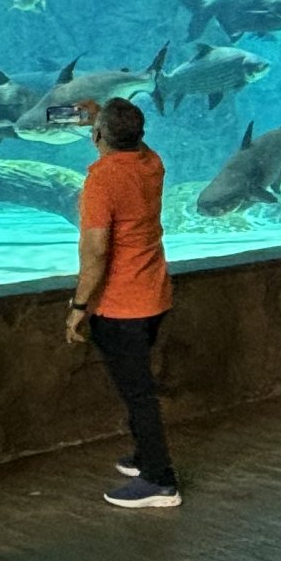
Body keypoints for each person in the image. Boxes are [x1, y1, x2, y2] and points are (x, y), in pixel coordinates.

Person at [65, 97, 179, 508]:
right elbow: (133, 145)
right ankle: (144, 455)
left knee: (138, 394)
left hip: (120, 305)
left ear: (97, 136)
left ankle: (159, 480)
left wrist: (79, 307)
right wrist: (105, 117)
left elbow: (95, 251)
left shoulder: (102, 179)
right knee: (137, 385)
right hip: (154, 294)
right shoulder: (152, 163)